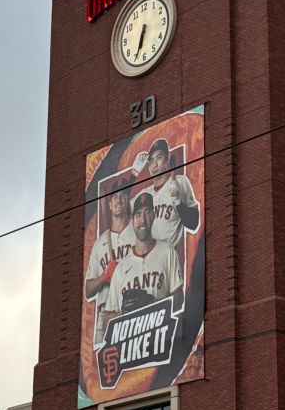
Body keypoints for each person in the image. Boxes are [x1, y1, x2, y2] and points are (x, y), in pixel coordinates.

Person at [103, 192, 183, 323]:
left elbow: (179, 297)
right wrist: (123, 314)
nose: (142, 220)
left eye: (147, 213)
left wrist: (152, 304)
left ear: (153, 215)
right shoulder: (121, 267)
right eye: (138, 215)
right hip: (130, 340)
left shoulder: (167, 251)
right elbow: (106, 320)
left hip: (160, 337)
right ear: (132, 220)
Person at [84, 179, 134, 344]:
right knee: (102, 361)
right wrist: (104, 276)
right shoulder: (100, 243)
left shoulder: (137, 231)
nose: (119, 200)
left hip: (132, 305)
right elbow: (88, 290)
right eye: (114, 197)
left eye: (123, 196)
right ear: (110, 204)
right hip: (105, 312)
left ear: (127, 201)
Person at [138, 138, 199, 247]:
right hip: (147, 260)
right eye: (151, 160)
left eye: (159, 158)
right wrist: (134, 172)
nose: (154, 165)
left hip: (169, 260)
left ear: (167, 159)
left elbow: (193, 223)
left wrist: (178, 202)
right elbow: (122, 209)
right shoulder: (144, 194)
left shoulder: (180, 181)